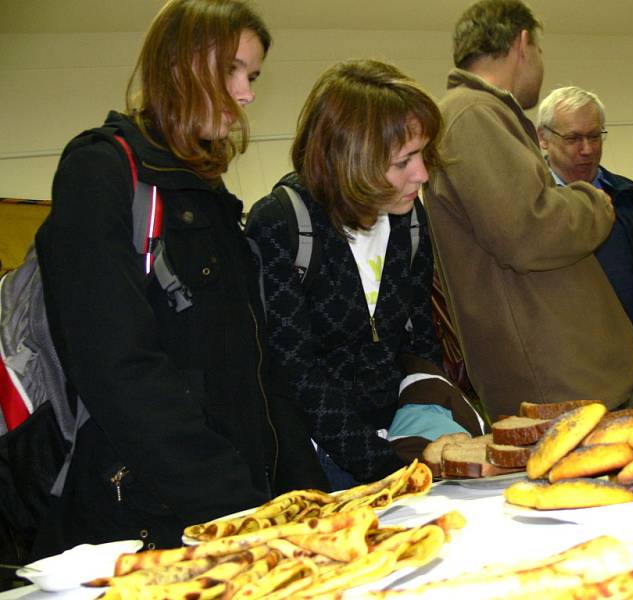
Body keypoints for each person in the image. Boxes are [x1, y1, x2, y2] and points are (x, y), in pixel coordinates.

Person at [31, 0, 324, 558]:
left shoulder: (208, 194)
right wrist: (234, 507)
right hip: (146, 523)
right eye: (234, 70)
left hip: (238, 513)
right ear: (181, 64)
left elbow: (259, 373)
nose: (247, 94)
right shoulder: (100, 173)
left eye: (253, 75)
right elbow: (118, 369)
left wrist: (305, 497)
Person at [245, 60, 484, 489]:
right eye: (403, 161)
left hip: (400, 433)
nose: (423, 174)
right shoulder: (282, 223)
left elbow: (418, 336)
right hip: (322, 458)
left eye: (423, 155)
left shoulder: (408, 221)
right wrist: (383, 465)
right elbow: (295, 370)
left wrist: (426, 413)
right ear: (349, 159)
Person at [424, 0, 633, 420]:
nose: (539, 63)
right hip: (554, 379)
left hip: (556, 376)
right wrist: (592, 201)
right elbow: (527, 231)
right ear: (523, 44)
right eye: (539, 51)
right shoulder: (472, 115)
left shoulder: (478, 114)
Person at [537, 86, 633, 412]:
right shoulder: (535, 212)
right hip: (582, 386)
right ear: (543, 138)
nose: (587, 150)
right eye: (573, 138)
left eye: (595, 136)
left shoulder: (628, 197)